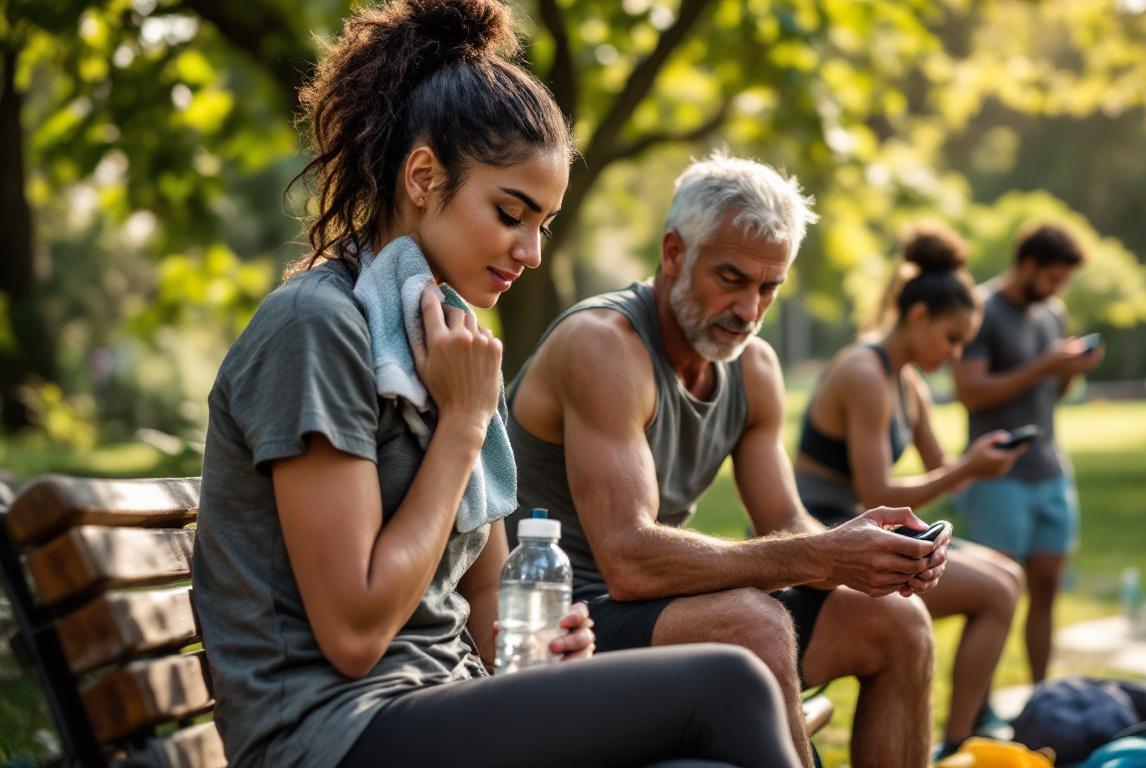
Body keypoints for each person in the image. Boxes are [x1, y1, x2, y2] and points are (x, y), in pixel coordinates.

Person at [191, 3, 801, 766]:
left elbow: (483, 610)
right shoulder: (317, 328)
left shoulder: (444, 341)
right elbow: (352, 636)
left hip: (438, 698)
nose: (533, 251)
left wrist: (544, 655)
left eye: (544, 223)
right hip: (332, 732)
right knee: (732, 683)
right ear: (423, 176)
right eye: (512, 214)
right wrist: (463, 423)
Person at [507, 152, 953, 768]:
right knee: (753, 623)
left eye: (769, 287)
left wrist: (866, 554)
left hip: (654, 615)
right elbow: (628, 562)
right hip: (555, 623)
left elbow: (788, 524)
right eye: (732, 278)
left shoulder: (755, 368)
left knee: (899, 622)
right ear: (673, 254)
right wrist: (821, 555)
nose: (749, 310)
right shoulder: (603, 346)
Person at [794, 222, 1026, 757]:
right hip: (824, 532)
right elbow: (879, 487)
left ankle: (968, 730)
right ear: (918, 315)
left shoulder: (907, 380)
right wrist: (965, 470)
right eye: (952, 338)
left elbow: (939, 466)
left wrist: (980, 461)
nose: (955, 353)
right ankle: (959, 741)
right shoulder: (864, 371)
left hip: (865, 522)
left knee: (1008, 576)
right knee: (994, 592)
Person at [951, 223, 1101, 684]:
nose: (1058, 289)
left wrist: (1071, 369)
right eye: (1053, 277)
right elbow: (971, 392)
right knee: (993, 595)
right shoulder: (981, 309)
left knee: (1047, 590)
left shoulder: (1051, 311)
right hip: (999, 477)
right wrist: (1044, 366)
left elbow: (1049, 393)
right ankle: (978, 711)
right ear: (1029, 264)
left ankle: (1042, 696)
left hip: (1051, 470)